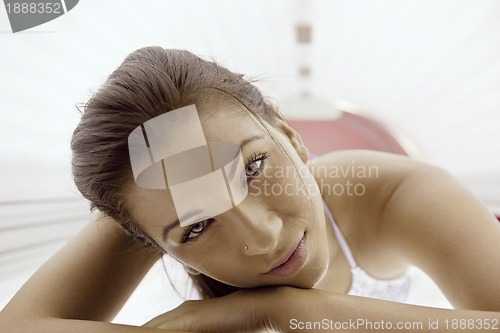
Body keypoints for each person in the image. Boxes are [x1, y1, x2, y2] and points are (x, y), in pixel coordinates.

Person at [1, 46, 499, 333]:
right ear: (152, 244)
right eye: (196, 227)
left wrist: (288, 312)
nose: (263, 237)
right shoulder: (149, 207)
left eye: (254, 168)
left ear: (288, 132)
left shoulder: (390, 193)